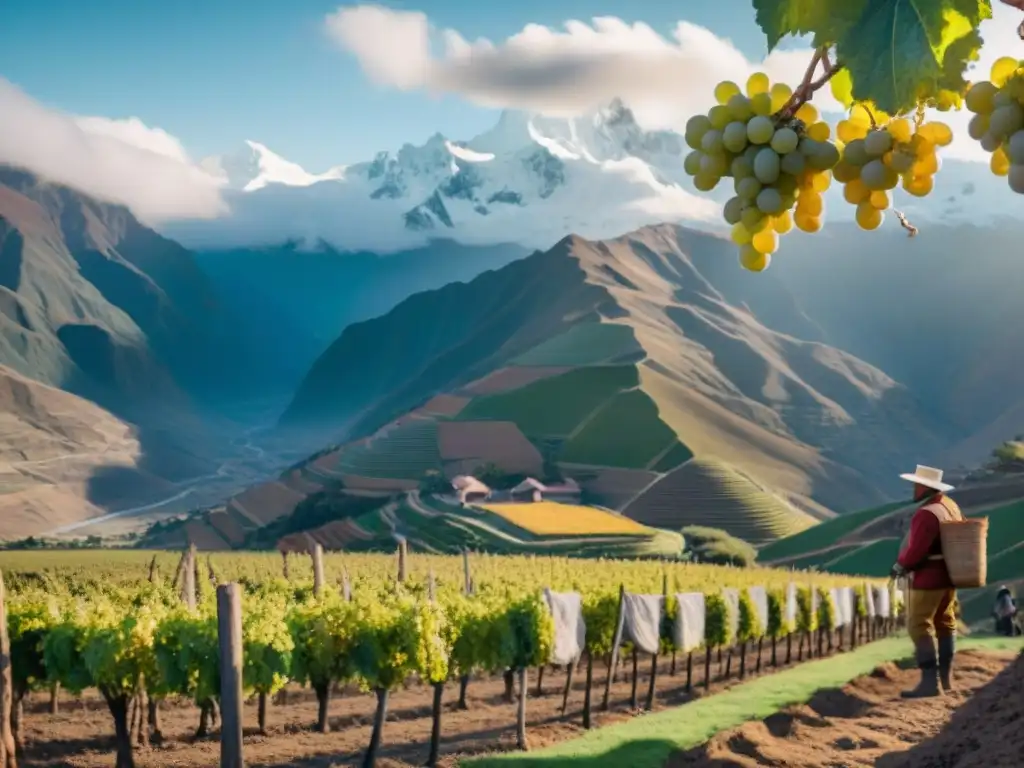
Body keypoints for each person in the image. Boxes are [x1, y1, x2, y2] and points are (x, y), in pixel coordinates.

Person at [889, 464, 963, 698]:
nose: (914, 488)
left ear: (925, 487)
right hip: (950, 576)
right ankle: (946, 680)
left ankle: (929, 684)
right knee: (945, 622)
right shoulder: (950, 506)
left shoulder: (926, 513)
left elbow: (916, 551)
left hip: (928, 579)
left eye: (916, 485)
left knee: (918, 624)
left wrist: (899, 566)